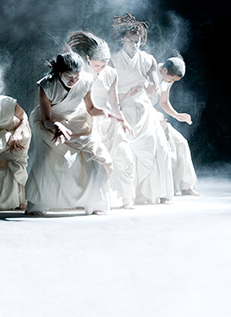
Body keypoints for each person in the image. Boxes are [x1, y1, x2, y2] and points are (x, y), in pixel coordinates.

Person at [25, 51, 113, 216]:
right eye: (69, 77)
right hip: (49, 124)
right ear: (60, 73)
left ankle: (93, 203)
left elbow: (91, 109)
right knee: (46, 161)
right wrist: (56, 125)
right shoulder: (46, 85)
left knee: (91, 158)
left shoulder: (86, 80)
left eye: (77, 76)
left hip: (76, 120)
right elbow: (46, 119)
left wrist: (108, 112)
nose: (74, 81)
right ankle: (38, 205)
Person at [66, 31, 136, 209]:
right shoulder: (79, 74)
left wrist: (124, 122)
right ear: (88, 58)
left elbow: (114, 103)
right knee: (90, 165)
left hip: (109, 122)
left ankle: (128, 200)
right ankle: (84, 201)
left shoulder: (111, 73)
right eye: (97, 65)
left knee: (125, 158)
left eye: (104, 64)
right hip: (88, 123)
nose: (100, 68)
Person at [109, 13, 174, 205]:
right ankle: (126, 193)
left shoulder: (148, 60)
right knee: (123, 148)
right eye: (130, 40)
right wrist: (128, 94)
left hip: (143, 108)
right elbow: (108, 92)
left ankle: (151, 191)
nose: (134, 44)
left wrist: (150, 88)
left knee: (159, 146)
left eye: (137, 41)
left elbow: (154, 88)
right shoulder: (113, 60)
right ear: (122, 39)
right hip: (121, 107)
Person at [148, 56, 199, 196]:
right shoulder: (149, 72)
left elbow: (164, 102)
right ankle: (161, 189)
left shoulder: (167, 79)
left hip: (155, 116)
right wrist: (155, 117)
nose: (171, 82)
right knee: (165, 146)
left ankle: (186, 186)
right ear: (164, 70)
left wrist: (177, 115)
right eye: (171, 80)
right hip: (141, 115)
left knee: (181, 142)